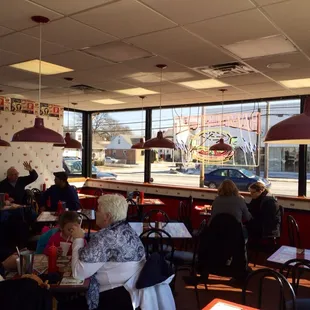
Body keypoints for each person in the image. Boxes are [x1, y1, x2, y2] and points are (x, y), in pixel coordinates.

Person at [70, 194, 145, 310]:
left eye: (98, 210)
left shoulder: (105, 237)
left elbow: (78, 273)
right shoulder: (128, 230)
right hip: (131, 294)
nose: (96, 212)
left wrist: (78, 239)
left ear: (107, 216)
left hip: (112, 298)